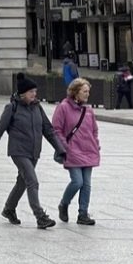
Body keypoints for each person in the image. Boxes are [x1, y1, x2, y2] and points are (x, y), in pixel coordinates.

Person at [0, 73, 66, 228]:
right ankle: (40, 216)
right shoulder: (12, 108)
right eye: (31, 92)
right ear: (22, 94)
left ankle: (9, 209)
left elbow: (48, 130)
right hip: (18, 151)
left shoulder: (37, 107)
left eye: (35, 92)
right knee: (32, 181)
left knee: (22, 182)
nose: (34, 95)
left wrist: (60, 149)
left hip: (34, 151)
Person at [52, 78, 99, 226]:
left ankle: (83, 214)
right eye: (84, 91)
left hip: (89, 150)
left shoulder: (88, 110)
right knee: (77, 181)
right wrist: (65, 146)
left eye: (88, 91)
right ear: (75, 92)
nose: (87, 94)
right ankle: (64, 204)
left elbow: (94, 130)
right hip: (72, 151)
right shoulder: (63, 107)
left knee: (87, 184)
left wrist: (96, 144)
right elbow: (56, 129)